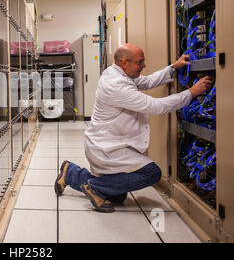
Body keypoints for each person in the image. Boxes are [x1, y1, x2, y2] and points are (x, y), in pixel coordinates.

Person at [55, 43, 214, 213]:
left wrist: (172, 68)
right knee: (152, 173)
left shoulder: (117, 72)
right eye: (140, 62)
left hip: (109, 144)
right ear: (124, 62)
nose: (143, 66)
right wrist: (191, 93)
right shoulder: (116, 85)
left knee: (118, 196)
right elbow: (156, 106)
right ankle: (94, 187)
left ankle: (71, 172)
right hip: (106, 148)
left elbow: (145, 81)